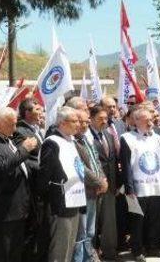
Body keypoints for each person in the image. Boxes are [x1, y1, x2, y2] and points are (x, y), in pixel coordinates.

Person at [0, 107, 37, 262]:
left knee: (15, 252)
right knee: (3, 252)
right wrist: (23, 150)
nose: (15, 128)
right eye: (11, 124)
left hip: (20, 207)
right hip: (5, 211)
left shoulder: (9, 140)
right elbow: (1, 168)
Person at [120, 108, 160, 261]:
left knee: (154, 218)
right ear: (136, 121)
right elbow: (126, 165)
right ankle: (137, 249)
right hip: (138, 187)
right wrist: (129, 188)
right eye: (146, 120)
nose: (150, 122)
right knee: (138, 220)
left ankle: (153, 246)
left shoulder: (157, 137)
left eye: (151, 119)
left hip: (155, 184)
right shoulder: (127, 138)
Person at [40, 106, 87, 262]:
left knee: (69, 244)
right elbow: (45, 175)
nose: (78, 124)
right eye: (74, 121)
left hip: (74, 200)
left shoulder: (71, 141)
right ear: (63, 123)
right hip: (60, 202)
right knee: (60, 246)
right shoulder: (52, 143)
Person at [73, 109, 107, 262]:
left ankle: (89, 256)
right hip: (82, 192)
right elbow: (81, 167)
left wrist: (103, 179)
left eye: (87, 122)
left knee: (90, 231)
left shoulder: (86, 139)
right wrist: (98, 181)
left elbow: (96, 161)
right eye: (82, 122)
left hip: (94, 190)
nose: (86, 125)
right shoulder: (71, 142)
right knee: (82, 231)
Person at [89, 105, 119, 260]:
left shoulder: (107, 135)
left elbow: (112, 160)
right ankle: (92, 253)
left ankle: (109, 251)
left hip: (111, 184)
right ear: (91, 119)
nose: (104, 121)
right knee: (92, 222)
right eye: (100, 119)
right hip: (95, 186)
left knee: (109, 221)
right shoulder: (87, 137)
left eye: (106, 118)